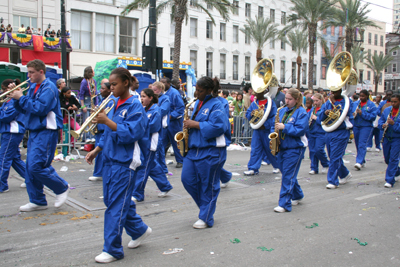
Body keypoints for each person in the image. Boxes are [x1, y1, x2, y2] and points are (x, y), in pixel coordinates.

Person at [85, 68, 152, 263]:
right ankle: (139, 230)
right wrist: (96, 150)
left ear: (125, 83)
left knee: (115, 205)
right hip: (109, 159)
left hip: (125, 161)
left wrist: (107, 121)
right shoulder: (114, 103)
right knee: (114, 201)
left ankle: (113, 249)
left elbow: (133, 133)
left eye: (114, 85)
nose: (110, 88)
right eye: (109, 85)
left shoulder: (135, 106)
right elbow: (107, 134)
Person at [9, 59, 69, 211]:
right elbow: (24, 109)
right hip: (35, 130)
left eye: (31, 72)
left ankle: (61, 187)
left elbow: (40, 109)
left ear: (41, 72)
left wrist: (20, 98)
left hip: (46, 131)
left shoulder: (48, 87)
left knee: (37, 166)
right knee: (30, 167)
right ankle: (37, 201)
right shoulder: (33, 87)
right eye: (28, 72)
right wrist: (16, 99)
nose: (28, 75)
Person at [181, 76, 230, 228]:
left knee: (208, 185)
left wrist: (195, 124)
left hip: (211, 150)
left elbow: (219, 126)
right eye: (196, 89)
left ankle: (206, 216)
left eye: (200, 91)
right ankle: (206, 208)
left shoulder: (217, 104)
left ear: (209, 90)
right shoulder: (198, 103)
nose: (196, 93)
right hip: (194, 150)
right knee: (187, 179)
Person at [132, 89, 173, 201]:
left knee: (143, 168)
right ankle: (165, 186)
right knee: (152, 166)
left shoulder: (156, 110)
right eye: (141, 96)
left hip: (150, 144)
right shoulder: (143, 109)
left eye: (144, 96)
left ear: (150, 98)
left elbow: (153, 126)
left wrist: (139, 126)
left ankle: (137, 194)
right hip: (143, 142)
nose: (142, 99)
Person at [273, 88, 308, 213]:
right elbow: (276, 124)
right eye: (286, 98)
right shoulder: (282, 111)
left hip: (295, 148)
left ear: (297, 100)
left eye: (289, 99)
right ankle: (297, 195)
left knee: (288, 175)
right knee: (288, 174)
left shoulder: (301, 112)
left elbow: (301, 130)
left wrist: (285, 127)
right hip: (282, 147)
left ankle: (284, 204)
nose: (286, 101)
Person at [318, 89, 353, 189]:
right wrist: (325, 113)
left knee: (335, 157)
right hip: (329, 131)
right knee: (332, 156)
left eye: (335, 92)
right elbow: (320, 118)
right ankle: (345, 174)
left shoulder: (347, 102)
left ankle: (332, 181)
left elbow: (347, 113)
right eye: (331, 92)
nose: (332, 94)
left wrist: (335, 103)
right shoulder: (327, 103)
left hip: (341, 132)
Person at [244, 87, 280, 176]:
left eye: (257, 92)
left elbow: (274, 117)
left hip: (266, 130)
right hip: (257, 130)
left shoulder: (271, 103)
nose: (254, 94)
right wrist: (251, 114)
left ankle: (277, 166)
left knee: (270, 149)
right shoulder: (254, 103)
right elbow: (247, 114)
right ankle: (253, 168)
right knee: (255, 149)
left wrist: (266, 125)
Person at [0, 79, 27, 192]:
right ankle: (32, 178)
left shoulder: (14, 101)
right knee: (15, 159)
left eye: (4, 90)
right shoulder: (7, 101)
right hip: (8, 131)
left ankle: (2, 186)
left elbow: (6, 117)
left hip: (12, 131)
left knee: (3, 159)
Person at [88, 79, 114, 182]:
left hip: (104, 129)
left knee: (102, 152)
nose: (100, 91)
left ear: (109, 90)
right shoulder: (104, 99)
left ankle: (99, 173)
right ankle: (99, 172)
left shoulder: (110, 100)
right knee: (99, 152)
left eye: (103, 89)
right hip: (100, 129)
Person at [160, 77, 185, 168]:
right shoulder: (161, 94)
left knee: (176, 141)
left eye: (163, 82)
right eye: (160, 82)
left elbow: (180, 108)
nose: (161, 84)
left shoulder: (174, 93)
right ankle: (160, 161)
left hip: (174, 122)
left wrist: (170, 116)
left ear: (168, 83)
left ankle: (180, 160)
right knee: (162, 142)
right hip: (164, 123)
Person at [353, 90, 378, 170]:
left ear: (367, 96)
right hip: (356, 125)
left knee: (362, 144)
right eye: (360, 96)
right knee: (357, 143)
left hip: (366, 126)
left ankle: (359, 162)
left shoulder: (372, 105)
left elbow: (373, 117)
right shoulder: (356, 103)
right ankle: (362, 160)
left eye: (363, 96)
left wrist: (362, 113)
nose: (361, 98)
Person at [379, 94, 400, 188]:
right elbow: (380, 121)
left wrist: (394, 124)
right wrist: (382, 125)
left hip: (397, 138)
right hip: (387, 137)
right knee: (387, 159)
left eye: (395, 102)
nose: (393, 103)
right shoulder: (387, 110)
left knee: (393, 158)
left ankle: (389, 180)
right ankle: (397, 171)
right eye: (392, 101)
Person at [214, 81, 233, 187]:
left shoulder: (223, 102)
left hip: (220, 135)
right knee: (211, 162)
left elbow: (223, 121)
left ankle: (223, 178)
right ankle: (225, 176)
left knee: (217, 162)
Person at [308, 93, 329, 175]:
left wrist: (316, 118)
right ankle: (314, 168)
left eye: (317, 101)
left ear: (321, 100)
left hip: (321, 132)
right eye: (314, 101)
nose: (315, 102)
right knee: (312, 151)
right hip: (312, 131)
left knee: (318, 149)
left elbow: (325, 122)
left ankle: (326, 164)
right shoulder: (313, 109)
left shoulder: (324, 109)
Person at [79, 66, 97, 144]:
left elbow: (95, 93)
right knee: (86, 119)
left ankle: (92, 136)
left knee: (92, 119)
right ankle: (86, 137)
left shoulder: (94, 81)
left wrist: (96, 104)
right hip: (86, 100)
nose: (94, 72)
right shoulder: (84, 82)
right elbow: (81, 94)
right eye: (93, 71)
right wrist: (83, 105)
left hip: (92, 99)